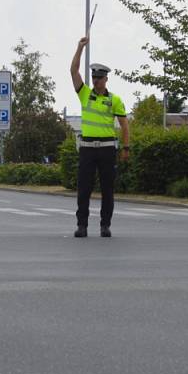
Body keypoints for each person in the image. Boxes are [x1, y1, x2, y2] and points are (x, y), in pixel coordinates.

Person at [69, 36, 130, 237]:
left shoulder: (115, 100)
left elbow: (124, 125)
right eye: (94, 77)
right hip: (87, 148)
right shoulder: (85, 94)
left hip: (106, 149)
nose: (96, 81)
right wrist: (79, 49)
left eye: (99, 78)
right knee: (84, 189)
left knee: (107, 190)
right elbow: (74, 71)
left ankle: (105, 225)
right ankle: (82, 226)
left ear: (106, 79)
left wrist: (126, 148)